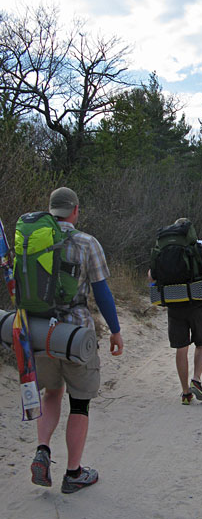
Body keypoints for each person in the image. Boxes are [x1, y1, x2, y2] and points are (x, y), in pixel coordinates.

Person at [30, 187, 124, 493]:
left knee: (51, 395)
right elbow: (102, 294)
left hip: (41, 331)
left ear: (51, 211)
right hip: (75, 334)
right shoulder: (87, 243)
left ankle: (42, 450)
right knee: (80, 404)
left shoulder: (33, 240)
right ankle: (73, 473)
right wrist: (115, 330)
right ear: (75, 210)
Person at [148, 218, 202, 405]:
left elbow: (151, 276)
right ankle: (197, 379)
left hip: (174, 302)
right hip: (197, 300)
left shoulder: (162, 247)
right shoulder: (198, 244)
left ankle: (185, 392)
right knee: (201, 343)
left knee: (181, 347)